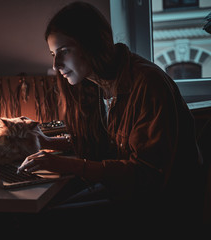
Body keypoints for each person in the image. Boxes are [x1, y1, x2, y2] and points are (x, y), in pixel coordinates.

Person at [17, 1, 203, 225]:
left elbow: (147, 175)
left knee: (46, 221)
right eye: (52, 53)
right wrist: (49, 143)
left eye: (64, 51)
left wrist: (68, 165)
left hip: (161, 206)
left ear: (91, 45)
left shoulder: (147, 83)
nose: (56, 64)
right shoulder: (95, 84)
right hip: (124, 192)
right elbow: (103, 144)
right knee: (41, 213)